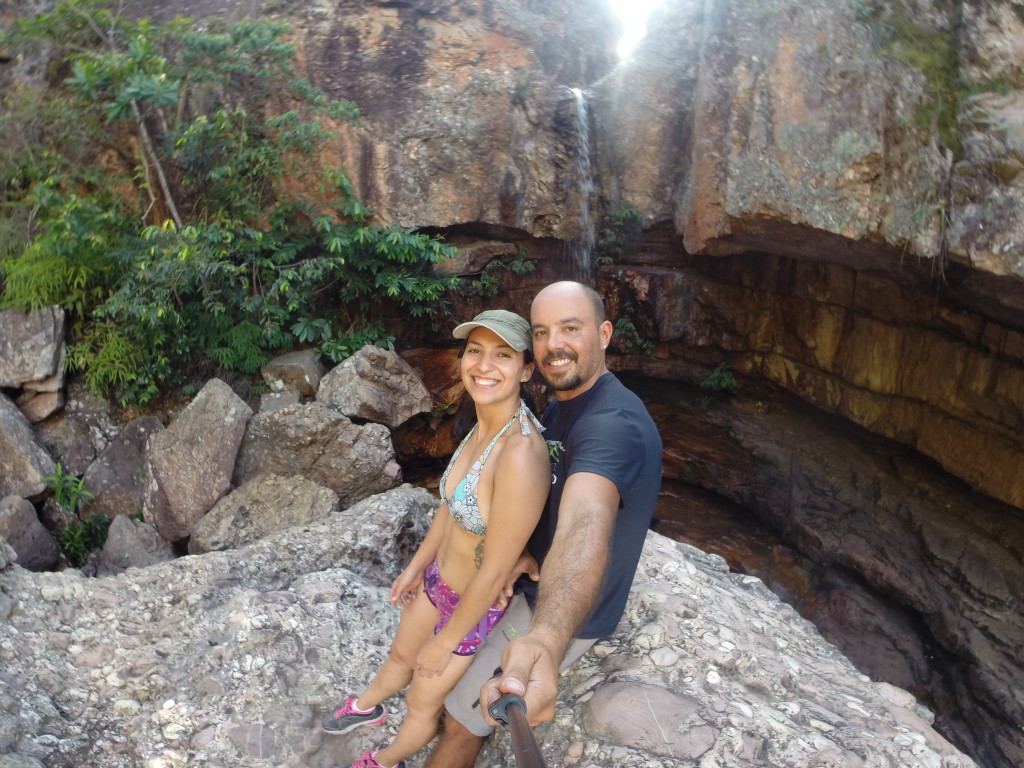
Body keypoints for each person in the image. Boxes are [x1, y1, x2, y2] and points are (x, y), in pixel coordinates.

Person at [422, 280, 663, 768]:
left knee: (463, 721)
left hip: (558, 609)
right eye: (541, 332)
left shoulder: (613, 425)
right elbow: (550, 495)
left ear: (604, 334)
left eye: (571, 329)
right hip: (531, 579)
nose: (554, 345)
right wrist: (528, 547)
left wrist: (545, 641)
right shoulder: (565, 402)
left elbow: (584, 521)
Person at [321, 310, 551, 768]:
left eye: (502, 355)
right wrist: (415, 568)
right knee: (401, 655)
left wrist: (446, 641)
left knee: (422, 701)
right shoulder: (480, 423)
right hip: (438, 581)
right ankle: (367, 706)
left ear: (526, 370)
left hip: (472, 609)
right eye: (475, 351)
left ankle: (386, 760)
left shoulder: (521, 454)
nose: (484, 366)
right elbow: (451, 508)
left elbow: (496, 570)